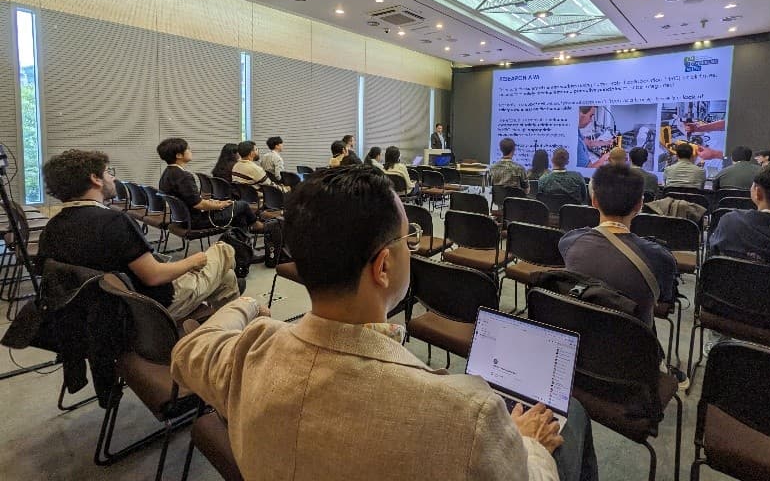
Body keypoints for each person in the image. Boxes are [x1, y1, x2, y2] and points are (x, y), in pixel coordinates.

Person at [171, 166, 598, 481]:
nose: (411, 247)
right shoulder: (467, 413)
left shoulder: (248, 354)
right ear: (383, 267)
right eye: (407, 239)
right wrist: (530, 444)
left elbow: (190, 348)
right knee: (571, 418)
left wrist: (246, 304)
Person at [38, 149, 240, 320]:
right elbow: (154, 276)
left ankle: (218, 331)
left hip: (103, 311)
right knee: (224, 250)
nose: (113, 178)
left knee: (227, 278)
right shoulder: (114, 221)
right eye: (108, 172)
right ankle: (227, 333)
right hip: (152, 306)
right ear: (95, 179)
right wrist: (193, 261)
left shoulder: (52, 227)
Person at [559, 164, 678, 328]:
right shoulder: (660, 257)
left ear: (594, 201)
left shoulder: (569, 241)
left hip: (582, 331)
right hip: (632, 339)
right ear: (639, 205)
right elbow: (663, 299)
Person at [158, 138, 259, 231]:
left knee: (238, 213)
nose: (190, 151)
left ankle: (239, 238)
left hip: (182, 220)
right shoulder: (184, 176)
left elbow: (192, 200)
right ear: (179, 155)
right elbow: (199, 204)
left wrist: (215, 202)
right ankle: (256, 226)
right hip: (196, 221)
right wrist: (221, 205)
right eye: (188, 149)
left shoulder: (167, 173)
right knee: (242, 205)